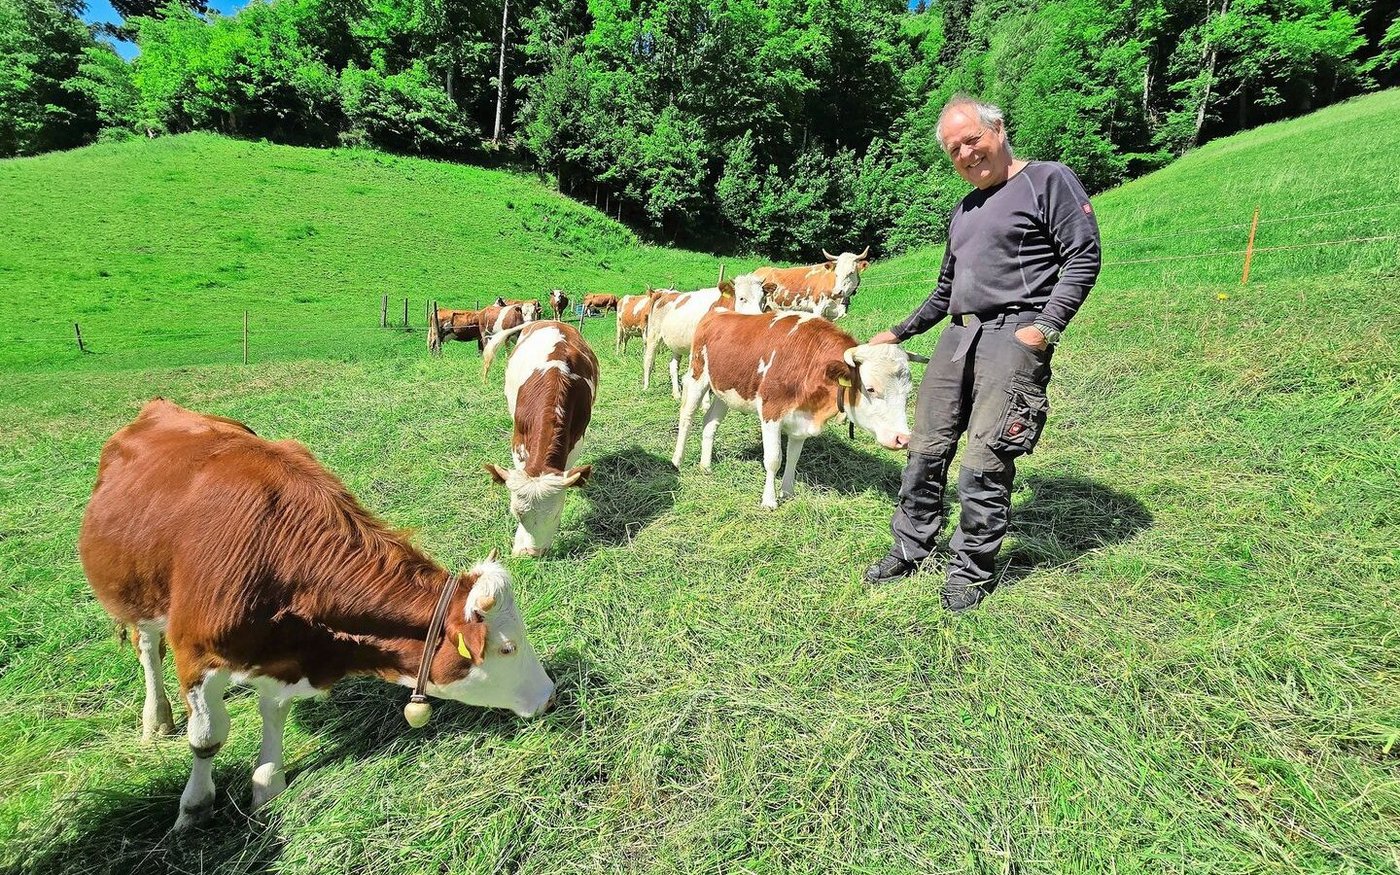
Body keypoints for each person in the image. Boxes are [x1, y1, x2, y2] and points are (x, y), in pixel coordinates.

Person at [863, 95, 1102, 611]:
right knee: (925, 447)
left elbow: (1083, 256)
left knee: (985, 458)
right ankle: (910, 546)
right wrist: (899, 331)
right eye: (955, 150)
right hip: (957, 335)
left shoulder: (1047, 180)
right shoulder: (965, 210)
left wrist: (1044, 327)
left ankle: (970, 570)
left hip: (1013, 334)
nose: (967, 154)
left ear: (998, 129)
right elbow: (946, 287)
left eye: (973, 139)